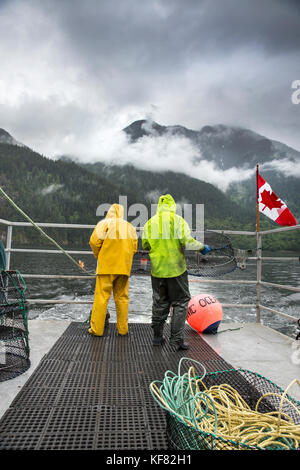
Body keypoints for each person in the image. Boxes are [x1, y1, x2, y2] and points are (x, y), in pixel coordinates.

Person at [142, 194, 211, 350]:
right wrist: (202, 247)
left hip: (158, 270)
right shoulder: (178, 221)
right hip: (176, 270)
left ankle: (157, 338)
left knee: (159, 303)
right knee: (180, 303)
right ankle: (177, 340)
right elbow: (187, 241)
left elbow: (146, 245)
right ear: (173, 206)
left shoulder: (149, 223)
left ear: (159, 206)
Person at [89, 203, 138, 336]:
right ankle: (123, 329)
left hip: (106, 268)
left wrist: (98, 254)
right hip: (123, 268)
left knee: (102, 298)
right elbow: (134, 248)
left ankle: (97, 330)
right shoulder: (129, 227)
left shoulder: (104, 224)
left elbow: (94, 242)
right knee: (122, 298)